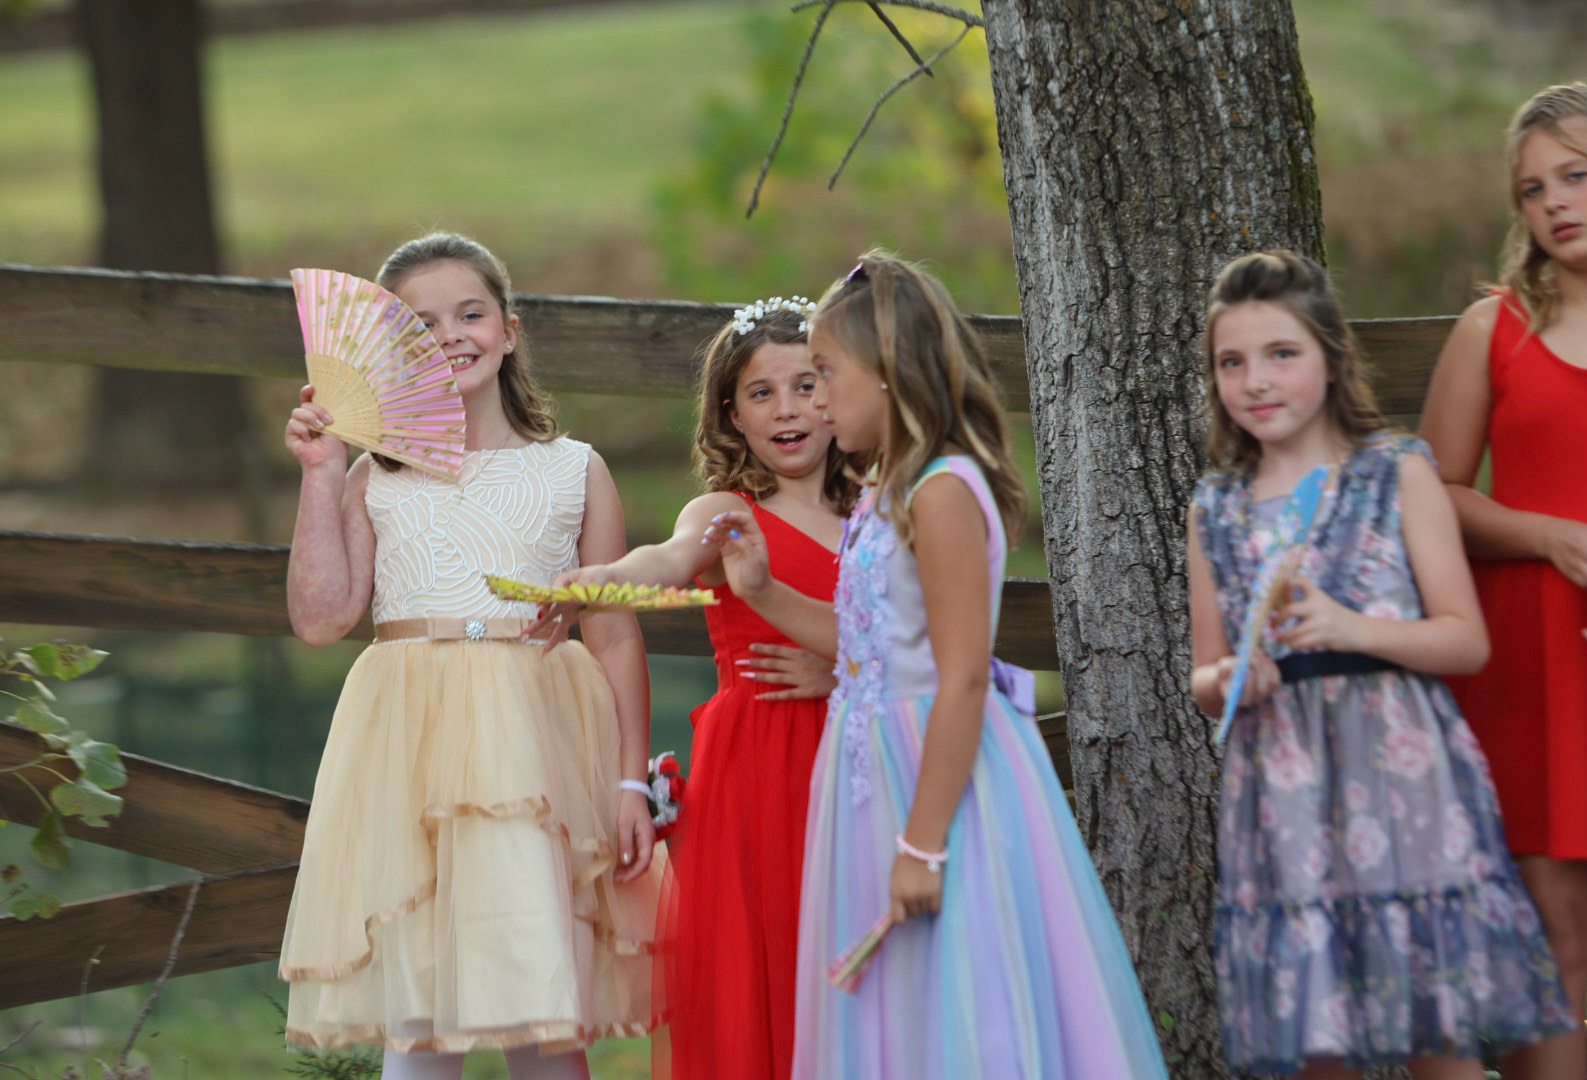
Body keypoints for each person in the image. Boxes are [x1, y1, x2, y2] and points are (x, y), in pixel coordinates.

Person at [705, 251, 1169, 1079]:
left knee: (962, 996)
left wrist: (922, 845)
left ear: (887, 374)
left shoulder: (944, 490)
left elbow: (962, 676)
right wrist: (763, 592)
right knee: (901, 1007)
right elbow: (870, 639)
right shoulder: (884, 489)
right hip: (874, 774)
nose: (817, 398)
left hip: (936, 779)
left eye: (826, 373)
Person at [278, 233, 661, 1080]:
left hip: (534, 751)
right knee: (418, 1005)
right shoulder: (375, 477)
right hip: (407, 753)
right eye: (420, 326)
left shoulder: (574, 471)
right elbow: (322, 618)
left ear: (509, 331)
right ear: (388, 353)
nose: (449, 335)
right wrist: (321, 471)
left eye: (470, 314)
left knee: (539, 996)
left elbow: (612, 633)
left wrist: (630, 782)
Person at [1190, 250, 1571, 1078]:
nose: (1256, 380)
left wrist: (1349, 626)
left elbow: (1463, 639)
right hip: (1285, 794)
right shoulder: (1215, 506)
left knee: (1436, 1033)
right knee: (1320, 1038)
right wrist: (1231, 681)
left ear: (1332, 358)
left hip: (1405, 787)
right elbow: (1204, 673)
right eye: (1232, 362)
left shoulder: (1395, 473)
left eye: (1281, 353)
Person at [545, 297, 856, 1080]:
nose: (787, 409)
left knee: (845, 950)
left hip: (856, 758)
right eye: (762, 393)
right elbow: (667, 558)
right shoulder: (726, 514)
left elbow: (921, 634)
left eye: (807, 385)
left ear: (840, 390)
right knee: (753, 956)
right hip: (752, 769)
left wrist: (844, 670)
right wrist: (603, 578)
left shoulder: (881, 511)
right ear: (733, 415)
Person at [1419, 81, 1587, 1080]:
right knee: (1557, 942)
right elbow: (1432, 494)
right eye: (1533, 190)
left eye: (1575, 176)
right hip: (1539, 671)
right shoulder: (1493, 328)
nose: (1555, 203)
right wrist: (1545, 533)